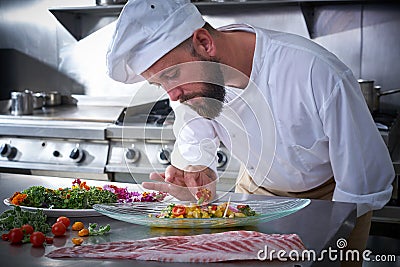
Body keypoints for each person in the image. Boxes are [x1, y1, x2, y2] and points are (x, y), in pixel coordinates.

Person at [106, 0, 394, 265]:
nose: (173, 94)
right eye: (160, 84)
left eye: (171, 76)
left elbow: (360, 181)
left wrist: (333, 231)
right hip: (255, 192)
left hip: (332, 199)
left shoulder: (315, 73)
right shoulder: (191, 83)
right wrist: (196, 167)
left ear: (204, 43)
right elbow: (194, 134)